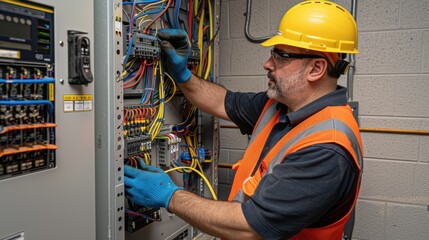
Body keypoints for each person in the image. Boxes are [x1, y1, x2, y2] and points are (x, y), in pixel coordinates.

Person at [124, 0, 364, 239]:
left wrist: (169, 195)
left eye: (280, 56)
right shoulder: (279, 106)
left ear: (316, 69)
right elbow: (221, 101)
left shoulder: (328, 148)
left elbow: (250, 227)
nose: (267, 64)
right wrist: (183, 74)